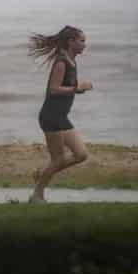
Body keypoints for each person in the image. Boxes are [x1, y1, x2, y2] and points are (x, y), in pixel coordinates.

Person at [28, 25, 93, 202]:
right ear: (71, 42)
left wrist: (79, 87)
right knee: (58, 160)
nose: (84, 45)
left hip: (61, 117)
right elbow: (54, 89)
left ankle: (42, 174)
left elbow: (69, 87)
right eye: (82, 41)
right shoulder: (61, 62)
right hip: (51, 117)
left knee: (81, 155)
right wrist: (76, 88)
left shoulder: (72, 61)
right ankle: (37, 194)